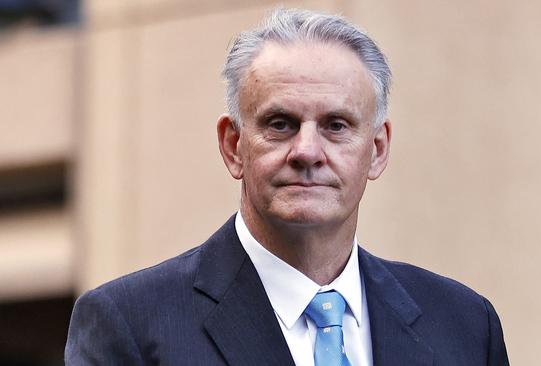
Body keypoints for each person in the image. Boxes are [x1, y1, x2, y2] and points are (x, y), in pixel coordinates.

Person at [65, 8, 509, 366]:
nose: (307, 151)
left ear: (376, 149)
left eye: (336, 126)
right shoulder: (129, 326)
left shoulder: (465, 326)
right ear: (234, 145)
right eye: (281, 124)